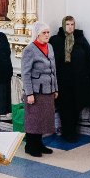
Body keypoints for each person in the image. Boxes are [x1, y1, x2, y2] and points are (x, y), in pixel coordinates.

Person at [49, 15, 90, 142]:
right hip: (62, 81)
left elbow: (89, 58)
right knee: (65, 107)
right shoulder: (56, 40)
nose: (70, 27)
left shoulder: (80, 39)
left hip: (78, 81)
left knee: (76, 107)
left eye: (72, 24)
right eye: (68, 24)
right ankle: (66, 132)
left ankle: (73, 132)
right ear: (63, 25)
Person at [20, 22, 58, 157]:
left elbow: (54, 70)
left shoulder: (50, 47)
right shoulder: (30, 49)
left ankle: (39, 143)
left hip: (48, 90)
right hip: (35, 91)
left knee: (43, 119)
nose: (47, 35)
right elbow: (25, 73)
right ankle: (30, 146)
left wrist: (55, 88)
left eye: (48, 32)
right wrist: (29, 93)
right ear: (37, 34)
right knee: (33, 119)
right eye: (44, 33)